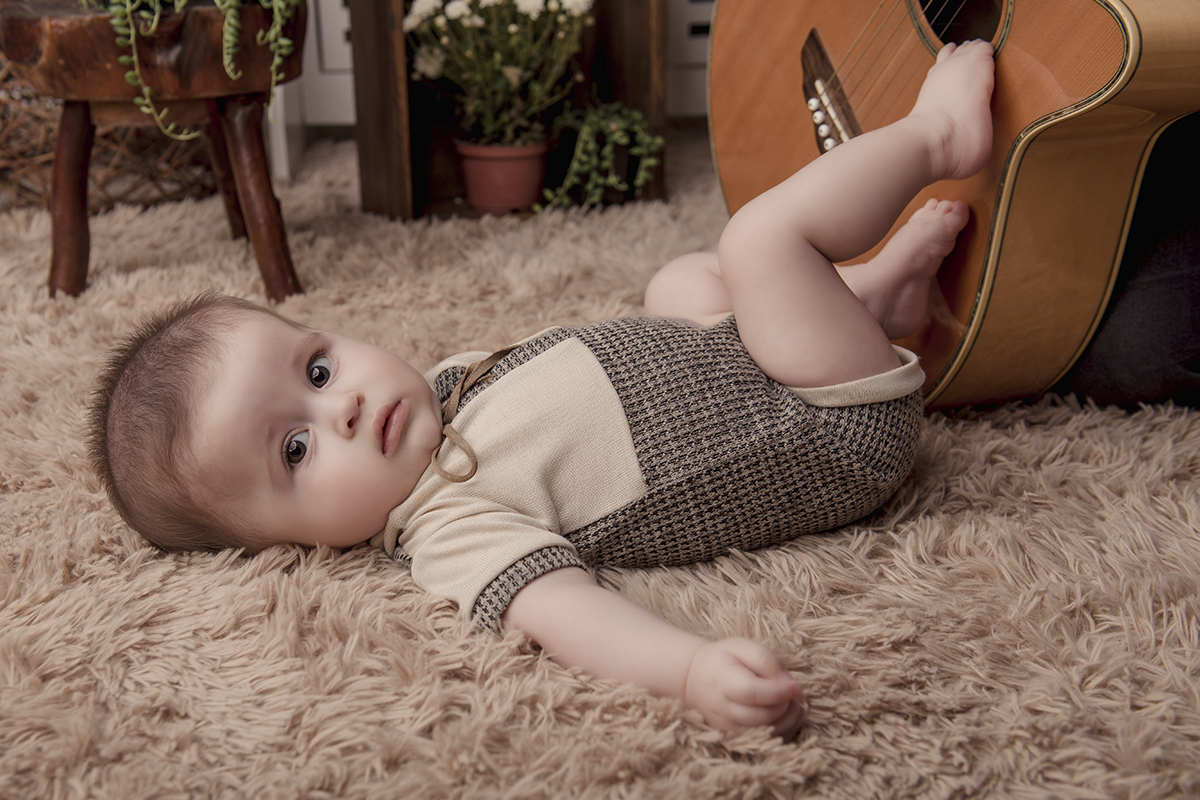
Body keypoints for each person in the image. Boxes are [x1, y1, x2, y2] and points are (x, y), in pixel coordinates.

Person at [87, 41, 996, 740]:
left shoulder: (438, 393)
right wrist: (690, 674)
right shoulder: (448, 530)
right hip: (826, 424)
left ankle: (874, 300)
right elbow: (572, 618)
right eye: (296, 449)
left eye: (317, 370)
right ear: (291, 544)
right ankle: (937, 139)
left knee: (679, 284)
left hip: (744, 358)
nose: (345, 406)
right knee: (758, 244)